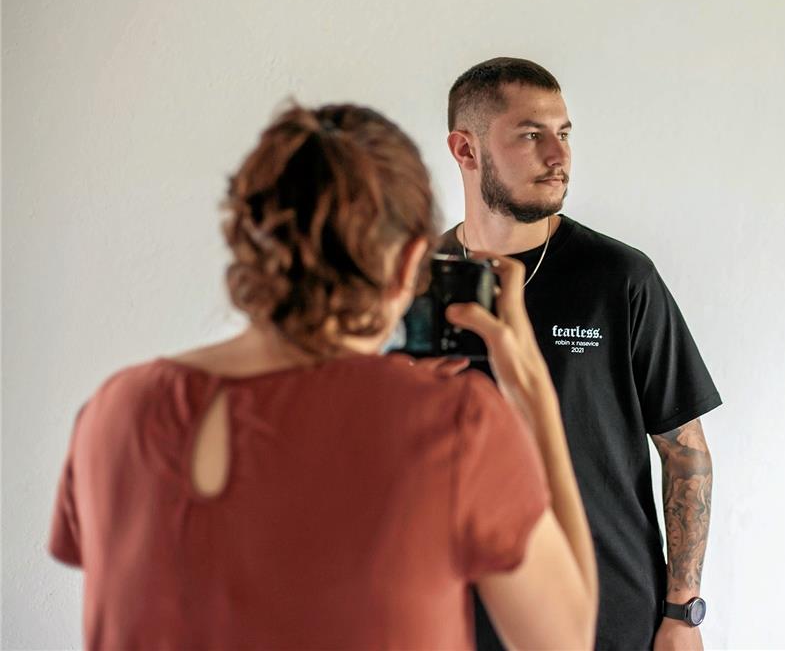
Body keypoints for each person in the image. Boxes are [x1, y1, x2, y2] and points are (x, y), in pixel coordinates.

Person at [48, 103, 597, 649]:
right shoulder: (456, 421)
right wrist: (532, 393)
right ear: (411, 262)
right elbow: (565, 639)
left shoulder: (115, 409)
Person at [442, 58, 721, 651]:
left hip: (609, 617)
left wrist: (683, 612)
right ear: (465, 150)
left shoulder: (619, 277)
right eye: (529, 135)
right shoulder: (417, 284)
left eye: (564, 133)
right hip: (454, 619)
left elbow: (686, 454)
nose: (558, 155)